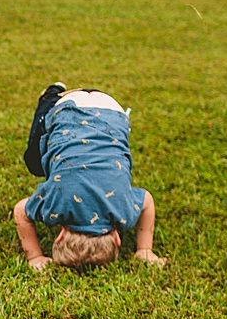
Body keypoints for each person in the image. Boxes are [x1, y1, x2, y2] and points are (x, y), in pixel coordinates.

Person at [12, 83, 167, 271]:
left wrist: (145, 249)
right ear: (60, 235)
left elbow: (147, 201)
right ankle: (50, 97)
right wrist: (35, 257)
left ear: (117, 238)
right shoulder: (55, 206)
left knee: (40, 161)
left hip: (113, 112)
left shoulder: (123, 212)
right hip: (67, 109)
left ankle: (52, 95)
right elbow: (21, 211)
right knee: (34, 162)